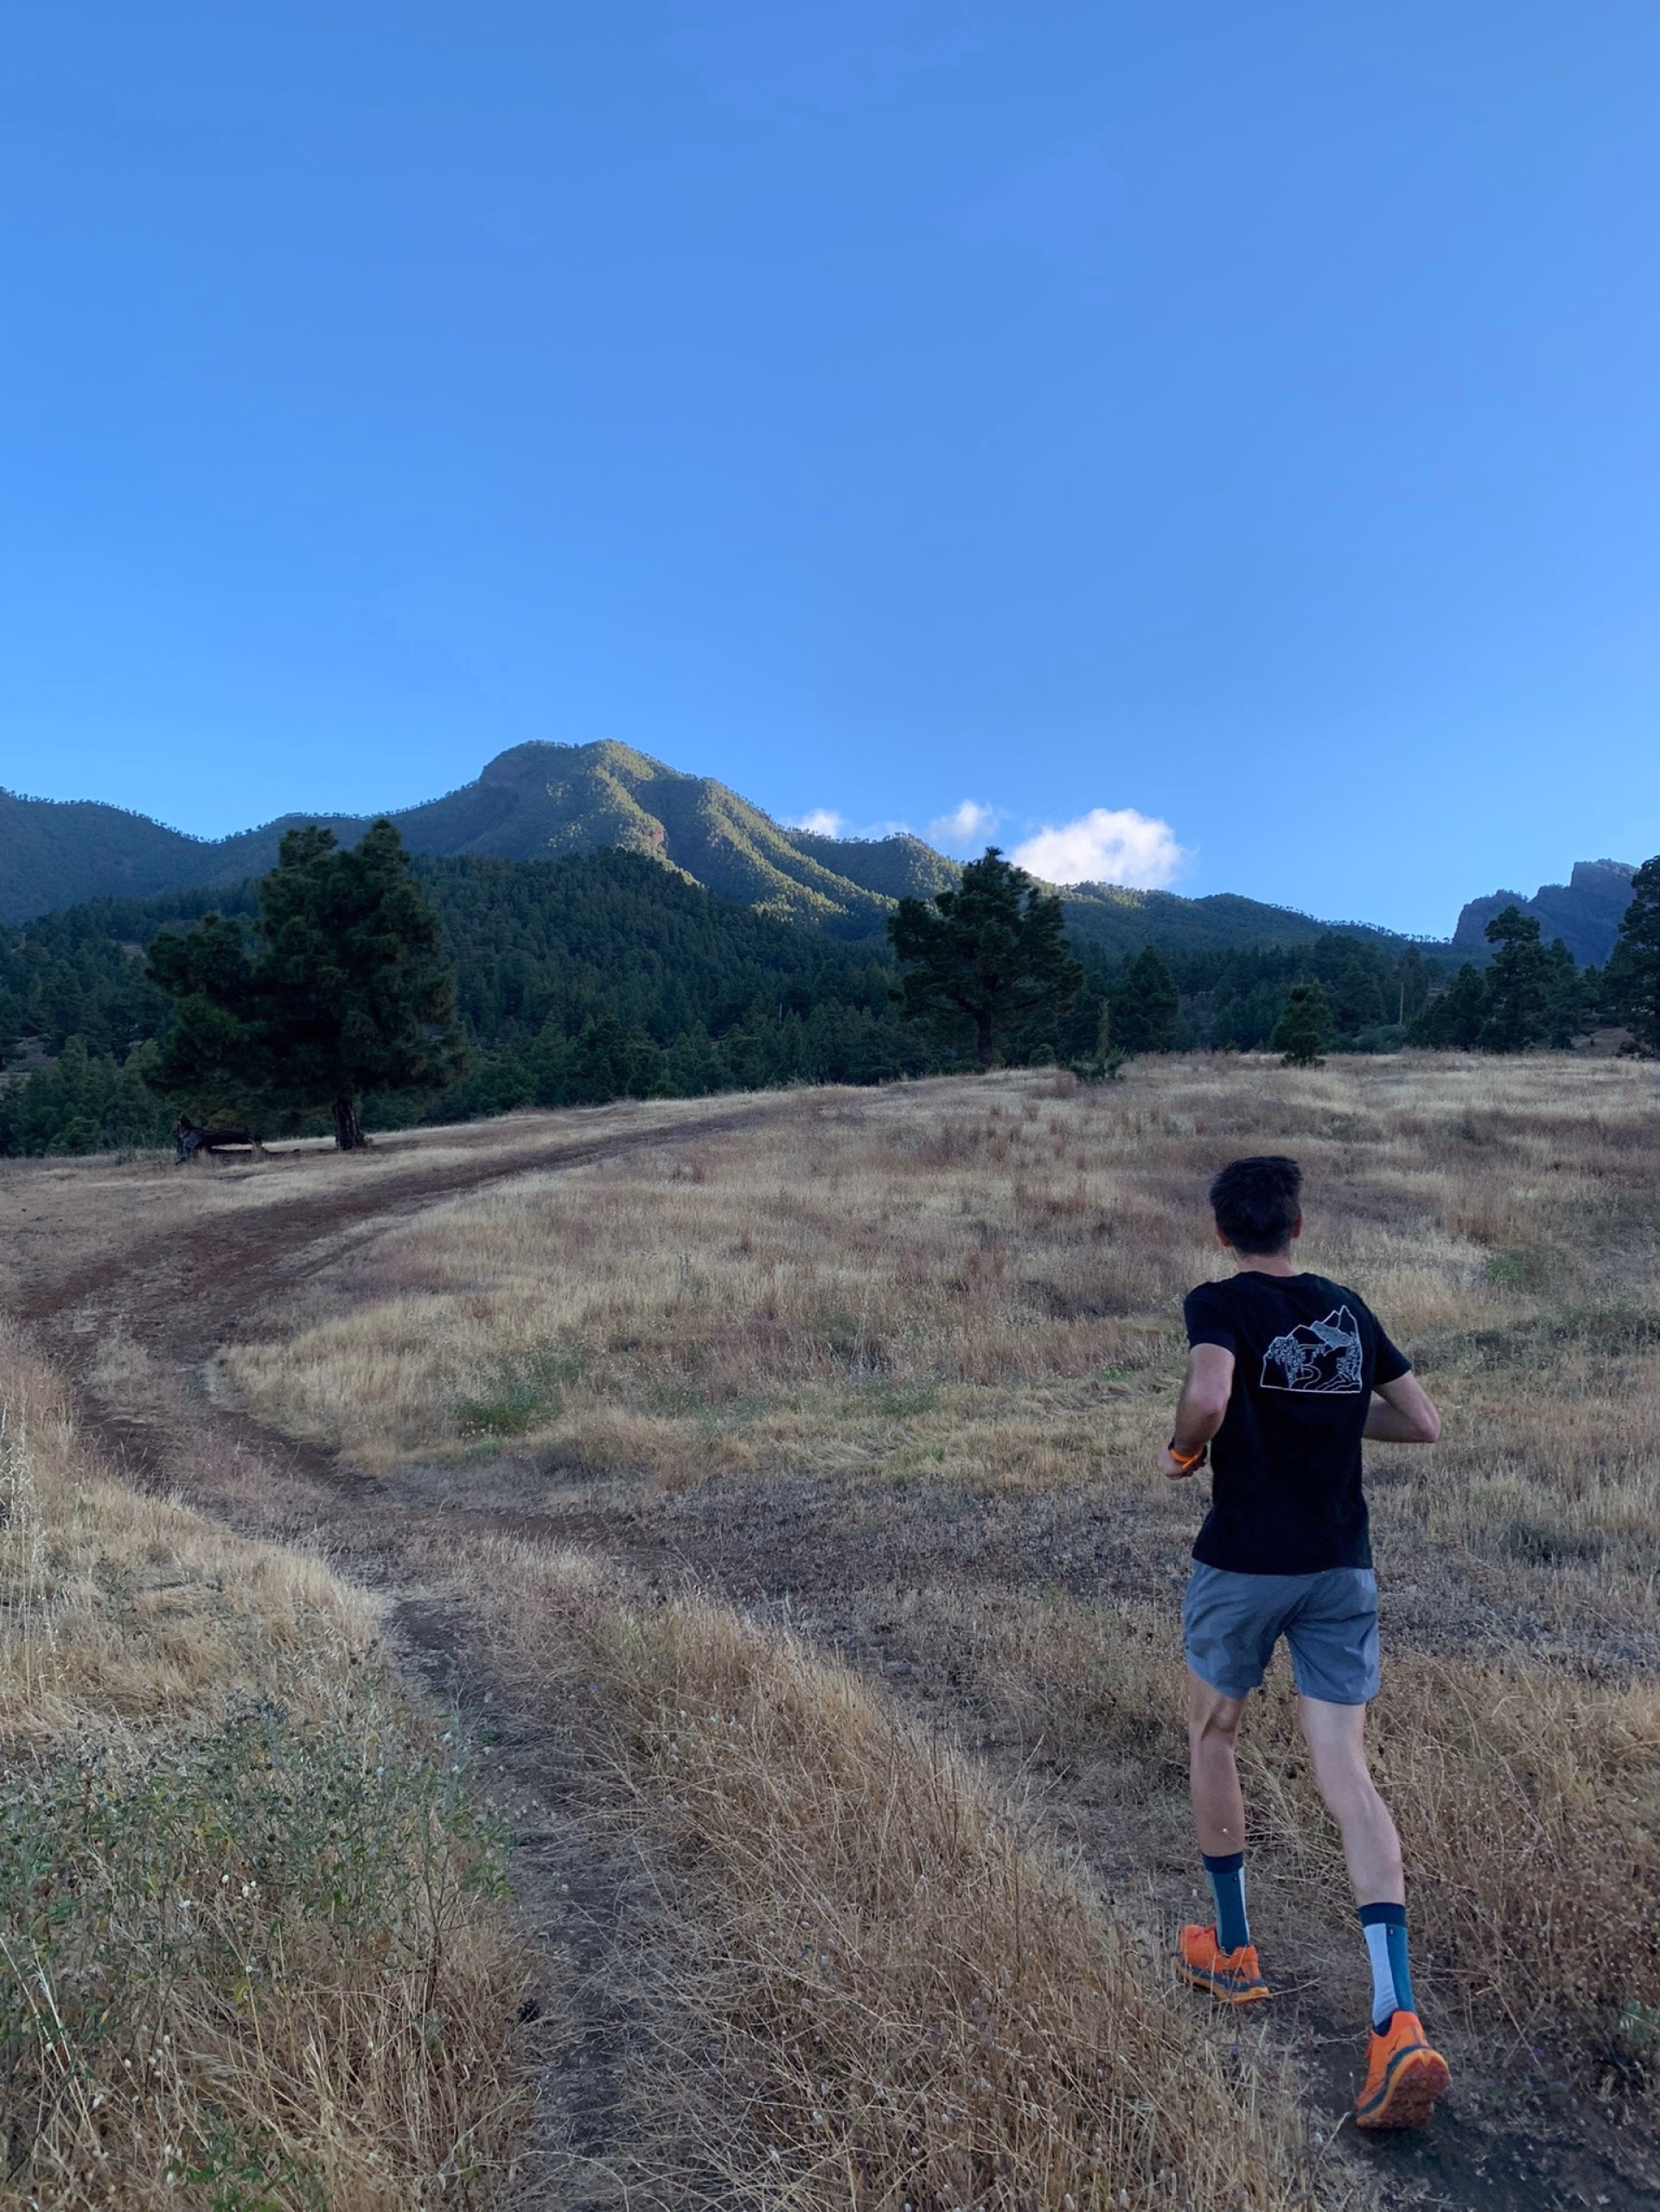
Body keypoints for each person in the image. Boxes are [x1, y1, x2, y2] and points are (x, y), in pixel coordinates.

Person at [1159, 1154, 1448, 2131]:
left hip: (1245, 1563)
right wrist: (1324, 1415)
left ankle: (1233, 1952)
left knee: (1215, 1736)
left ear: (1221, 1232)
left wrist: (1188, 1446)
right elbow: (1423, 1422)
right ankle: (1396, 2018)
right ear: (1298, 1226)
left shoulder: (1218, 1302)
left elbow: (1206, 1394)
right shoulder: (1345, 1306)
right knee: (1347, 1773)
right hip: (1340, 1565)